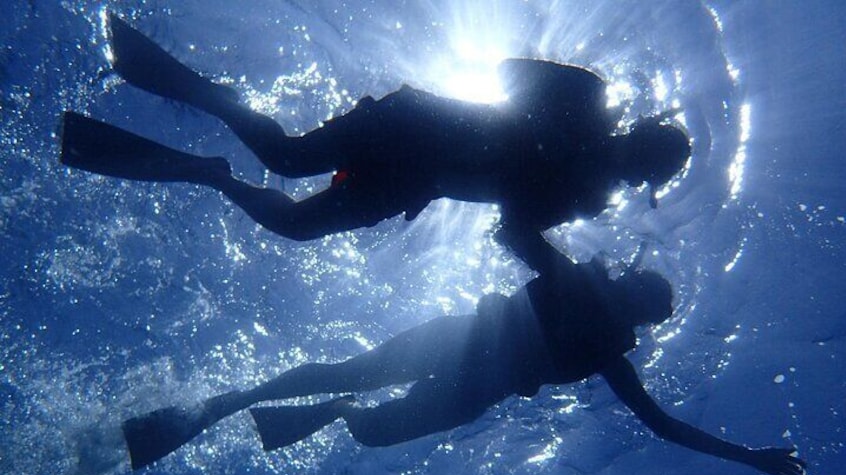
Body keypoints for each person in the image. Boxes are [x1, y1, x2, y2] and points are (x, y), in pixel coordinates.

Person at [60, 15, 691, 266]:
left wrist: (554, 264)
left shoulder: (583, 194)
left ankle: (212, 174)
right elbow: (509, 74)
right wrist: (556, 125)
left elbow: (512, 231)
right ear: (636, 136)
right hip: (413, 126)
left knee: (298, 227)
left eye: (643, 175)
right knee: (286, 155)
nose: (630, 174)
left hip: (414, 182)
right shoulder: (588, 99)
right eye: (642, 159)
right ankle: (200, 92)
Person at [123, 254, 805, 475]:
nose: (630, 304)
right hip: (457, 346)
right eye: (636, 293)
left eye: (641, 308)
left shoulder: (606, 352)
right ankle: (209, 409)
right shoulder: (574, 278)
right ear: (628, 286)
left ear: (639, 319)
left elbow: (662, 424)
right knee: (343, 370)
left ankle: (315, 413)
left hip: (474, 386)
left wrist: (753, 456)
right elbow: (524, 235)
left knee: (368, 427)